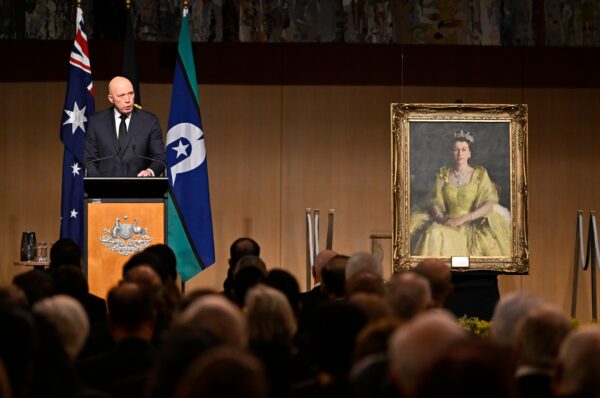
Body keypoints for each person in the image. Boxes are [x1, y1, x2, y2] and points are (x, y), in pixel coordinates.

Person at [410, 130, 510, 256]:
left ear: (470, 153)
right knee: (432, 231)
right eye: (456, 149)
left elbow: (489, 204)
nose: (459, 153)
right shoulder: (444, 174)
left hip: (470, 225)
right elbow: (435, 200)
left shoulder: (479, 174)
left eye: (464, 149)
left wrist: (464, 218)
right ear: (451, 152)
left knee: (436, 233)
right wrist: (441, 218)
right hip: (447, 222)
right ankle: (432, 273)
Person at [84, 76, 166, 177]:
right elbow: (90, 160)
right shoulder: (96, 122)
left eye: (131, 94)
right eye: (121, 95)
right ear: (111, 98)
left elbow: (160, 157)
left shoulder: (150, 121)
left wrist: (150, 172)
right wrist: (98, 186)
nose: (128, 100)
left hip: (140, 189)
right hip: (105, 190)